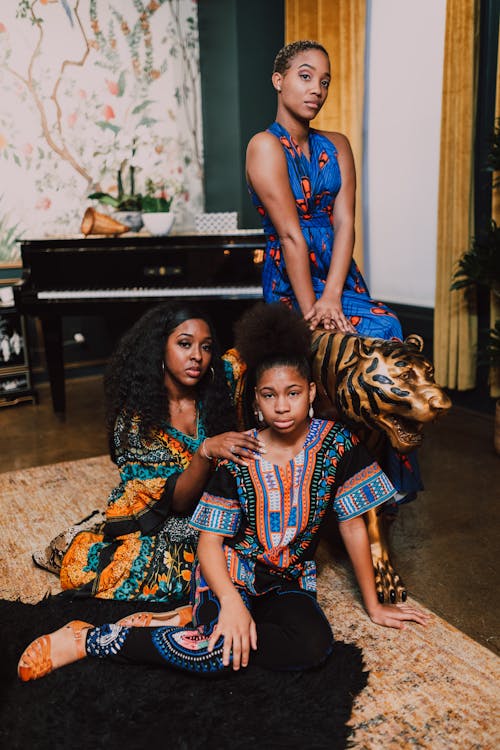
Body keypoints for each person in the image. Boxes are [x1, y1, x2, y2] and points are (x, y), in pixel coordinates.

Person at [18, 303, 429, 682]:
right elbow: (209, 542)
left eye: (293, 394)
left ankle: (189, 624)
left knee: (311, 647)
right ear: (256, 401)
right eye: (270, 395)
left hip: (288, 580)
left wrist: (374, 606)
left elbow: (354, 527)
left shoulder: (338, 443)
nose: (282, 406)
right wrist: (231, 603)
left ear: (311, 395)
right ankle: (93, 639)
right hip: (223, 563)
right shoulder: (237, 452)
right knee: (218, 653)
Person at [246, 39, 421, 499]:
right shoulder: (264, 146)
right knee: (333, 344)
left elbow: (345, 224)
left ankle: (381, 481)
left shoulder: (338, 145)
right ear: (278, 80)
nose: (316, 89)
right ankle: (328, 479)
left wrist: (332, 295)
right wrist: (312, 309)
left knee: (386, 327)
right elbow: (290, 237)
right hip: (291, 280)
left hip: (339, 278)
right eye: (305, 76)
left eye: (324, 81)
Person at [33, 302, 263, 608]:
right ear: (160, 349)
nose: (197, 356)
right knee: (170, 571)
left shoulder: (220, 380)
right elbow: (177, 500)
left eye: (206, 347)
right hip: (161, 515)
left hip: (214, 506)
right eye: (184, 344)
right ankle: (70, 546)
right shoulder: (135, 423)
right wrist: (206, 451)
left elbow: (257, 349)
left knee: (255, 554)